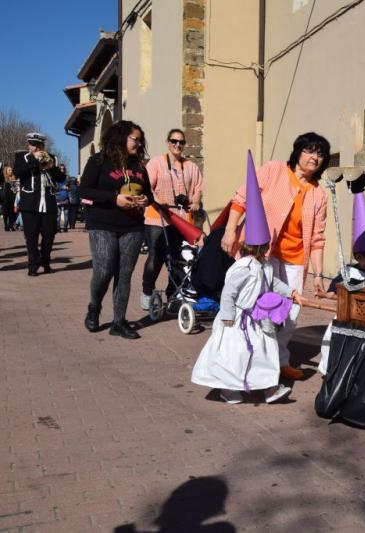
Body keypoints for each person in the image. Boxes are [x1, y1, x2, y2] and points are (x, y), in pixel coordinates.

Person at [221, 132, 331, 380]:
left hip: (294, 259)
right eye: (310, 151)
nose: (315, 157)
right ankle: (251, 361)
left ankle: (280, 362)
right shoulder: (274, 170)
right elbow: (241, 199)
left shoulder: (318, 194)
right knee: (260, 309)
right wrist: (230, 231)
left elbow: (317, 238)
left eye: (321, 154)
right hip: (262, 255)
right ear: (298, 152)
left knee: (290, 314)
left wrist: (318, 275)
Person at [192, 152, 296, 404]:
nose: (264, 250)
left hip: (258, 318)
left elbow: (274, 283)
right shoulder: (242, 267)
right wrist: (226, 314)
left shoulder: (265, 266)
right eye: (261, 247)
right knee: (235, 355)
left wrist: (289, 292)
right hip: (237, 319)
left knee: (263, 353)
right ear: (251, 247)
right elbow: (228, 292)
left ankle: (270, 389)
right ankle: (230, 388)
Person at [79, 120, 153, 339]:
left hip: (133, 226)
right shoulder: (99, 160)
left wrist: (145, 200)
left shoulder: (139, 166)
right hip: (102, 224)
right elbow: (85, 190)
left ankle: (119, 322)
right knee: (104, 270)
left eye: (140, 140)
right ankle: (94, 308)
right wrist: (115, 199)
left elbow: (149, 194)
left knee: (124, 274)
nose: (139, 144)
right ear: (121, 137)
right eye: (135, 139)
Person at [140, 128, 204, 310]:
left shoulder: (191, 166)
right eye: (174, 141)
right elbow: (148, 188)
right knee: (156, 256)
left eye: (181, 142)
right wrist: (160, 202)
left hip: (182, 220)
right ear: (168, 142)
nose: (177, 145)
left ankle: (173, 294)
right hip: (157, 218)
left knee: (177, 258)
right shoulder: (156, 163)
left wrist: (196, 202)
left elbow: (198, 188)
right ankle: (147, 290)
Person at [318, 192, 365, 375]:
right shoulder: (348, 272)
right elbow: (334, 293)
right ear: (359, 256)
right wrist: (324, 295)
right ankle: (330, 371)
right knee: (332, 339)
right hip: (347, 316)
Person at [13, 133, 64, 275]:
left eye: (33, 145)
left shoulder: (52, 157)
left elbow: (61, 178)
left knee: (49, 236)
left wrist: (52, 167)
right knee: (31, 236)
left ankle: (46, 262)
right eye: (30, 144)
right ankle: (33, 265)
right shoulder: (22, 157)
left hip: (48, 203)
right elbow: (18, 173)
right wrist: (34, 160)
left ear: (40, 146)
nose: (30, 147)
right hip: (30, 204)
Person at [55, 165, 71, 232]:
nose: (62, 170)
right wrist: (65, 187)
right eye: (61, 169)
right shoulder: (67, 177)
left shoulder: (57, 177)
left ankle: (61, 227)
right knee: (62, 213)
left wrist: (64, 188)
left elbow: (56, 187)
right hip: (61, 196)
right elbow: (68, 187)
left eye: (63, 169)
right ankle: (63, 227)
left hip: (61, 196)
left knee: (63, 213)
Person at [2, 165, 16, 231]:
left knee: (12, 213)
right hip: (5, 198)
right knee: (5, 213)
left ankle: (11, 225)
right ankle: (6, 225)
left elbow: (15, 188)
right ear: (6, 171)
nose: (11, 171)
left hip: (12, 198)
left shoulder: (14, 178)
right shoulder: (3, 179)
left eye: (11, 170)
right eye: (9, 170)